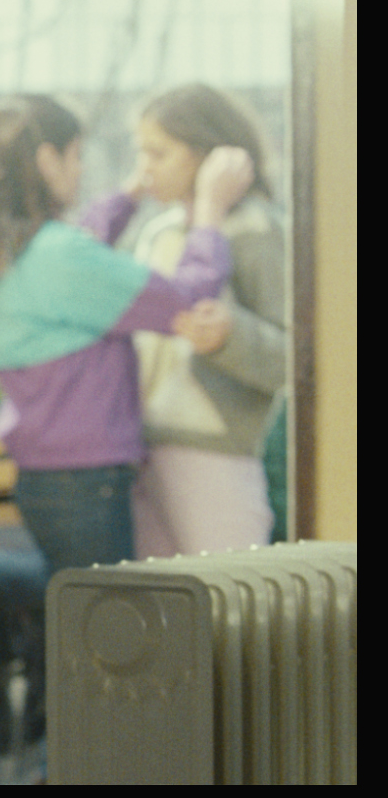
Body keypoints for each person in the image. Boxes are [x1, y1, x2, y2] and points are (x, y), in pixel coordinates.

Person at [0, 94, 246, 576]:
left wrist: (130, 194)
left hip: (45, 477)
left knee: (73, 597)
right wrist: (210, 212)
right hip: (85, 483)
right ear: (48, 160)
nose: (82, 169)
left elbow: (82, 247)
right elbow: (187, 299)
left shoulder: (5, 250)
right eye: (76, 156)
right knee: (101, 613)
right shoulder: (59, 256)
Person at [118, 83, 288, 558]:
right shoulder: (157, 232)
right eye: (140, 152)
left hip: (215, 457)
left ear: (207, 156)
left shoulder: (255, 229)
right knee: (162, 604)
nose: (144, 168)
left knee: (232, 597)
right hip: (144, 453)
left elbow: (293, 356)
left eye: (158, 153)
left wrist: (230, 335)